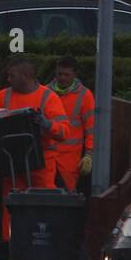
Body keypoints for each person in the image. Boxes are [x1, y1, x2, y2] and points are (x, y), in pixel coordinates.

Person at [0, 59, 68, 240]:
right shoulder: (3, 96)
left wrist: (46, 124)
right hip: (13, 165)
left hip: (41, 166)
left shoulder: (48, 98)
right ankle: (12, 247)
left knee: (43, 207)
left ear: (25, 76)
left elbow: (64, 131)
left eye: (12, 75)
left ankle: (42, 247)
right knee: (11, 207)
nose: (8, 79)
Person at [49, 56, 95, 192]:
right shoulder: (46, 93)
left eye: (66, 74)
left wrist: (89, 154)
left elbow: (91, 128)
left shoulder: (85, 96)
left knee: (67, 192)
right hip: (48, 155)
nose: (62, 78)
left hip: (70, 159)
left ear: (74, 75)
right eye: (59, 74)